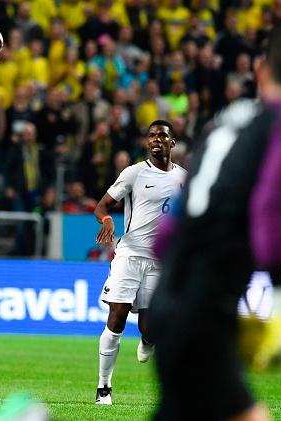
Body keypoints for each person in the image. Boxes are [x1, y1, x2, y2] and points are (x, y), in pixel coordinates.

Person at [149, 21, 281, 420]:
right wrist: (280, 304)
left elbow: (167, 233)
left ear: (261, 73)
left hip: (170, 301)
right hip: (202, 311)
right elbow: (267, 211)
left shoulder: (229, 120)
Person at [93, 120, 187, 405]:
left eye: (163, 136)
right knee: (117, 317)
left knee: (150, 328)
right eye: (152, 136)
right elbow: (101, 205)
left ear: (173, 143)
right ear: (147, 143)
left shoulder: (184, 179)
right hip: (130, 255)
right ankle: (103, 389)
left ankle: (148, 339)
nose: (157, 139)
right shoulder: (134, 173)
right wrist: (107, 220)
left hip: (160, 261)